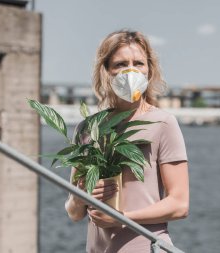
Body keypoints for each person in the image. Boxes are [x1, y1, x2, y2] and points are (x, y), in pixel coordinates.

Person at [65, 29, 189, 253]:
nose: (131, 70)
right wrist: (80, 196)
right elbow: (74, 213)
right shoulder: (88, 129)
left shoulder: (163, 123)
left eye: (138, 63)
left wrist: (121, 218)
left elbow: (179, 205)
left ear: (149, 71)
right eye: (121, 64)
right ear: (106, 72)